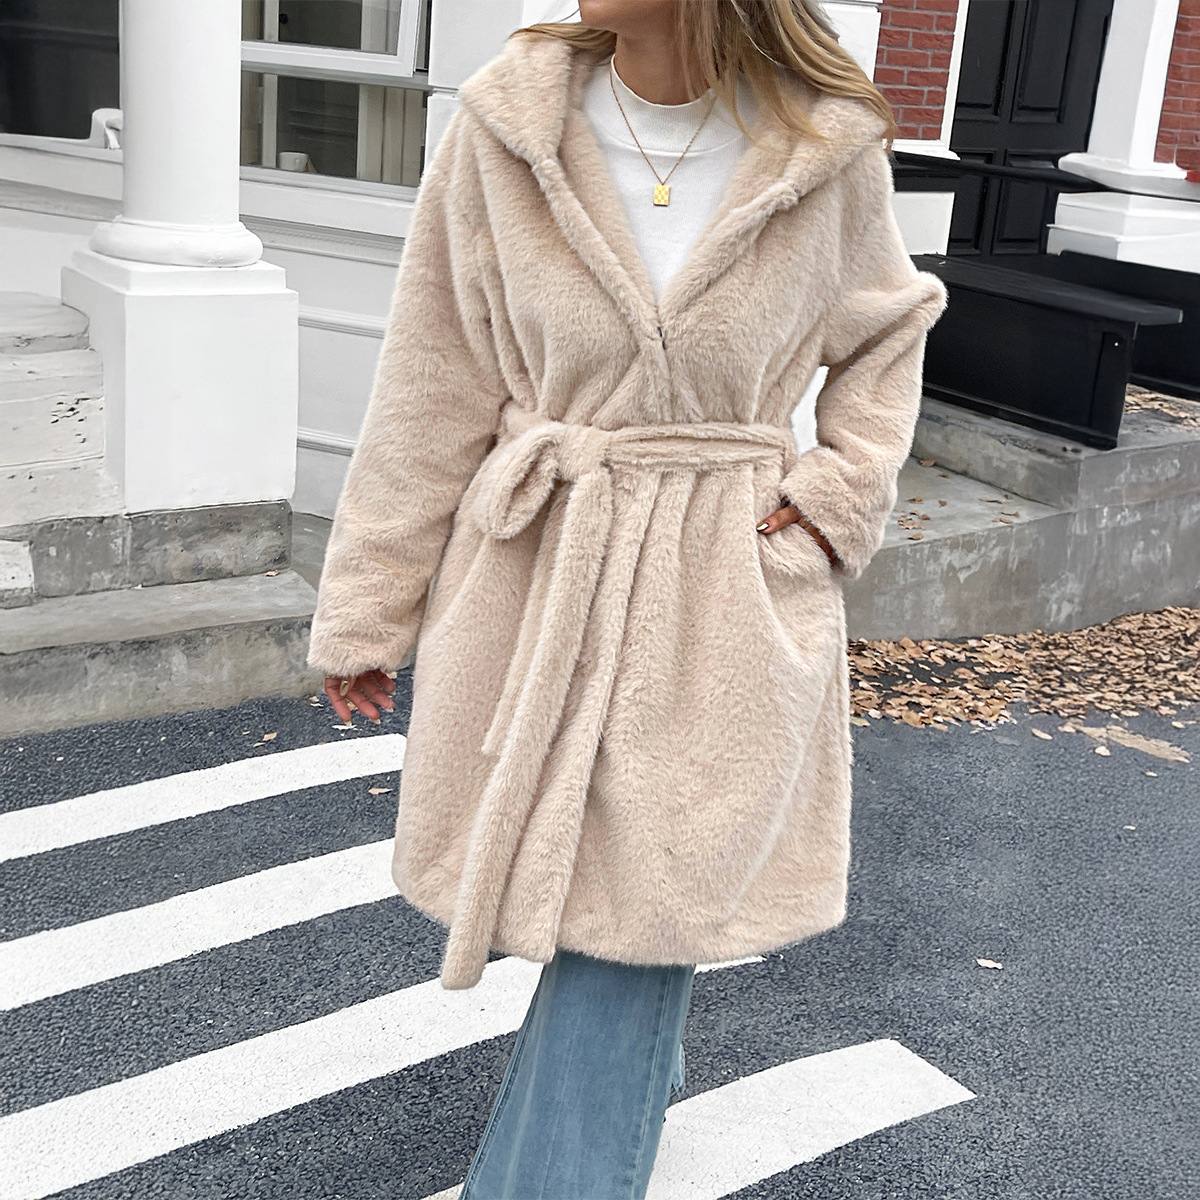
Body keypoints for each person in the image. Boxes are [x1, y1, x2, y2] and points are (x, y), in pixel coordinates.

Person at [306, 1, 948, 1195]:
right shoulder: (509, 125)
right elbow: (430, 378)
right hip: (542, 567)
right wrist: (370, 604)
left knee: (652, 902)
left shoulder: (823, 143)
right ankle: (624, 1097)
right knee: (633, 907)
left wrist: (834, 499)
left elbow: (886, 331)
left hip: (725, 581)